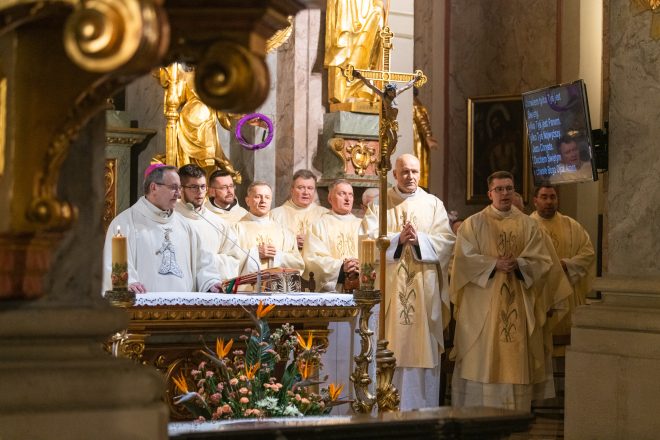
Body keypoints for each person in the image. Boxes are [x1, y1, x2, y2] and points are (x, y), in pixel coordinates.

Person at [450, 170, 563, 411]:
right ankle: (480, 416)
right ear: (490, 193)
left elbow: (543, 261)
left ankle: (516, 414)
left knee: (515, 354)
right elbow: (462, 262)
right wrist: (493, 264)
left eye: (509, 189)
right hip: (484, 307)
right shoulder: (473, 224)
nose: (505, 194)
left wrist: (520, 264)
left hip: (518, 303)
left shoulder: (529, 224)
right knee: (484, 357)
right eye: (499, 189)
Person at [362, 153, 455, 410]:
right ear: (394, 174)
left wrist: (420, 241)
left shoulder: (433, 204)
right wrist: (398, 240)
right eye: (405, 172)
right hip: (391, 290)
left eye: (414, 172)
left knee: (423, 348)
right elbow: (369, 239)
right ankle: (387, 412)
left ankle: (422, 412)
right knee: (390, 346)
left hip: (424, 293)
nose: (411, 176)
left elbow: (447, 241)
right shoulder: (381, 204)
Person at [102, 165, 223, 293]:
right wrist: (128, 282)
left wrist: (210, 283)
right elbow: (112, 263)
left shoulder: (185, 225)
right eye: (173, 187)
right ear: (153, 187)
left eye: (179, 188)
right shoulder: (125, 223)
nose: (178, 193)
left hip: (184, 309)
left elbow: (203, 263)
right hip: (143, 309)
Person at [530, 184, 596, 336]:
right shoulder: (528, 225)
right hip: (540, 291)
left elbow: (588, 253)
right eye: (544, 197)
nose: (549, 202)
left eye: (553, 197)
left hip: (568, 289)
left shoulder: (571, 225)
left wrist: (566, 264)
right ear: (535, 200)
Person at [159, 62, 241, 182]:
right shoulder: (209, 78)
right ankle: (199, 188)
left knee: (205, 159)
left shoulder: (188, 76)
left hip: (194, 119)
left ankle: (201, 188)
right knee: (202, 160)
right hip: (195, 120)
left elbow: (178, 97)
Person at [174, 164, 241, 282]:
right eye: (194, 187)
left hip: (209, 292)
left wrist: (207, 261)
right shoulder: (169, 218)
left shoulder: (218, 223)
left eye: (203, 186)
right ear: (180, 189)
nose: (200, 192)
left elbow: (234, 259)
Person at [233, 181, 304, 276]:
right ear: (247, 201)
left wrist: (278, 256)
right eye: (258, 197)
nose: (263, 201)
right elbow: (230, 262)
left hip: (277, 288)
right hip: (247, 288)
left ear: (271, 201)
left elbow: (299, 264)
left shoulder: (284, 232)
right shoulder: (236, 229)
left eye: (267, 197)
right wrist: (254, 254)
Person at [303, 180, 362, 292]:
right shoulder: (318, 225)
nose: (347, 199)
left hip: (360, 288)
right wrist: (341, 267)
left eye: (350, 195)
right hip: (332, 291)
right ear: (330, 199)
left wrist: (360, 266)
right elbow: (312, 259)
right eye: (342, 194)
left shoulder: (363, 224)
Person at [323, 0, 384, 107]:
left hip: (367, 5)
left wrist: (379, 9)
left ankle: (362, 90)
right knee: (345, 38)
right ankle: (343, 91)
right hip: (348, 6)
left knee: (369, 39)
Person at [270, 169, 329, 250]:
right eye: (301, 188)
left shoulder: (325, 215)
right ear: (292, 190)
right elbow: (270, 243)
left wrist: (311, 242)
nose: (306, 192)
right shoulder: (275, 215)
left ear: (314, 191)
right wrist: (292, 243)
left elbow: (332, 245)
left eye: (310, 188)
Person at [413, 88, 439, 188]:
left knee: (417, 162)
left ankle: (418, 185)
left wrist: (428, 135)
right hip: (414, 135)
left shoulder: (414, 102)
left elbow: (422, 119)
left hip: (416, 138)